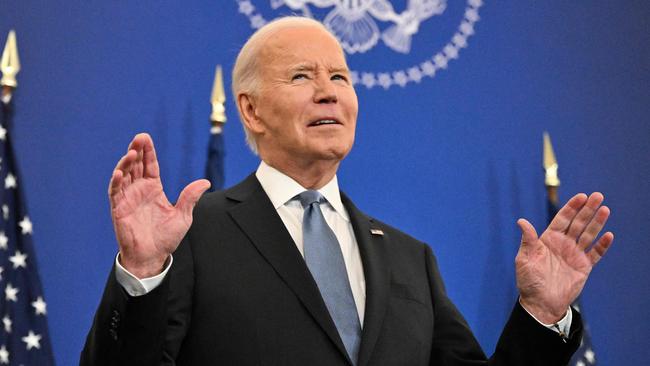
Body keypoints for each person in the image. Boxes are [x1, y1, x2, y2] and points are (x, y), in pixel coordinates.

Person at [80, 16, 614, 366]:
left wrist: (542, 318)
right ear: (250, 109)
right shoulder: (196, 234)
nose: (328, 93)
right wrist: (144, 275)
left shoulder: (410, 261)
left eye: (340, 77)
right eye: (301, 78)